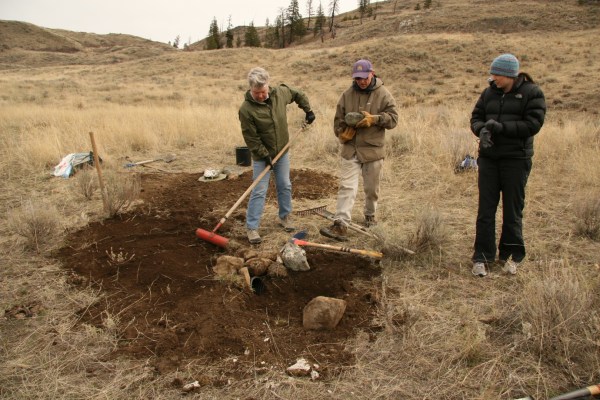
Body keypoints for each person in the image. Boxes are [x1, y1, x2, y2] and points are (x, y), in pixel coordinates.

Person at [470, 53, 546, 277]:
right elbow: (476, 117)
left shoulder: (532, 93)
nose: (492, 78)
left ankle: (511, 256)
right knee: (485, 209)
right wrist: (481, 130)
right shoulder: (488, 93)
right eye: (492, 73)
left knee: (513, 210)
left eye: (497, 74)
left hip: (516, 160)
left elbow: (533, 124)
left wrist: (502, 128)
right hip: (489, 159)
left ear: (509, 75)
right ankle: (482, 257)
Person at [320, 59, 398, 241]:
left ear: (372, 74)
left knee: (371, 189)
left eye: (364, 77)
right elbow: (338, 121)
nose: (361, 81)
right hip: (351, 149)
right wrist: (342, 134)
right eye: (358, 78)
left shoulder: (383, 94)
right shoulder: (347, 95)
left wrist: (375, 119)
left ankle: (370, 216)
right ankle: (340, 224)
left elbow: (394, 119)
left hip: (373, 151)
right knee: (347, 187)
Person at [239, 67, 316, 244]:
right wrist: (264, 155)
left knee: (285, 185)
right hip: (262, 157)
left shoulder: (280, 94)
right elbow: (251, 138)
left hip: (282, 151)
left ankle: (285, 217)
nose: (260, 96)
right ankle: (252, 227)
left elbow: (298, 94)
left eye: (263, 91)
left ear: (268, 85)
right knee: (259, 190)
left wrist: (308, 110)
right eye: (256, 92)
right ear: (251, 89)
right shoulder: (246, 109)